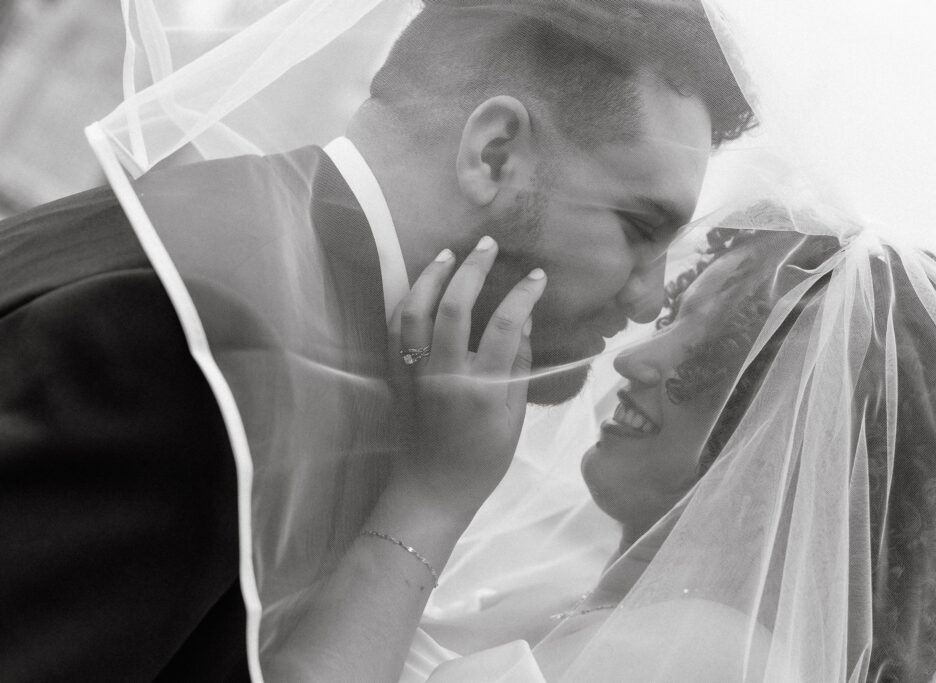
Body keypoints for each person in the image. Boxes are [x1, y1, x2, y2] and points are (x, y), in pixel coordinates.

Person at [0, 1, 754, 680]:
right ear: (493, 152)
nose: (648, 295)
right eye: (639, 228)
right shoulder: (197, 353)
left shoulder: (226, 243)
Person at [381, 208, 936, 681]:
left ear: (790, 431)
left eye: (712, 346)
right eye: (675, 316)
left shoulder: (698, 653)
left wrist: (433, 494)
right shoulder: (599, 605)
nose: (635, 357)